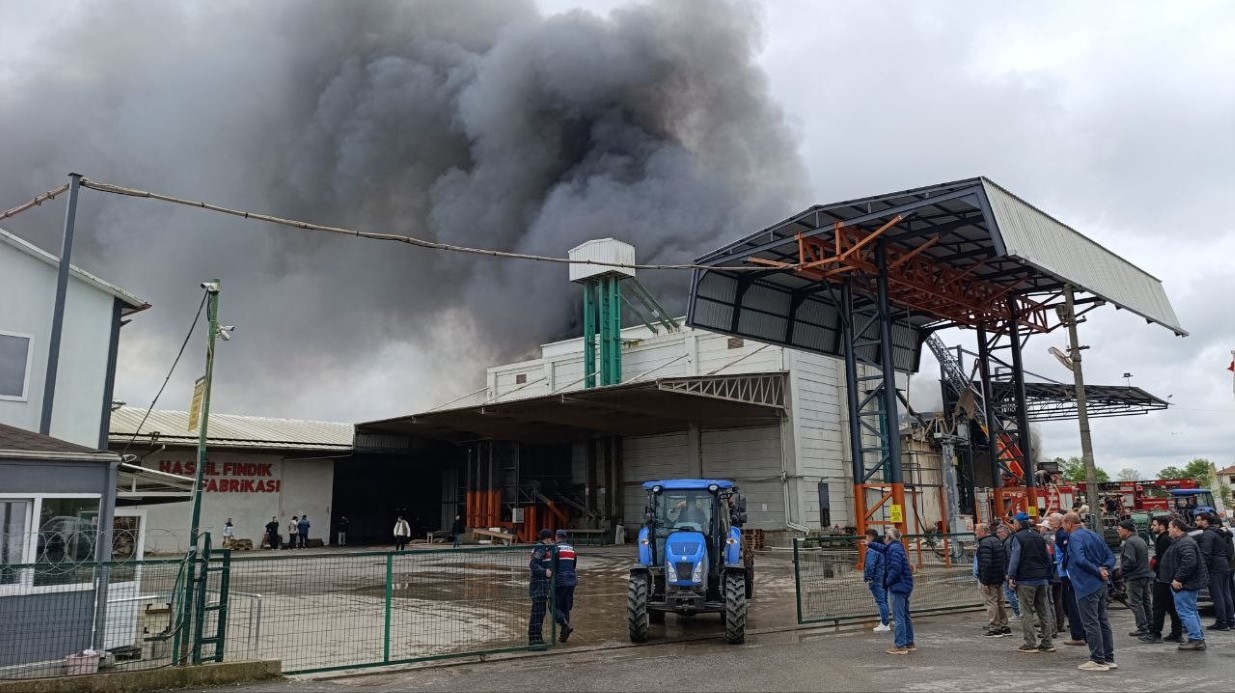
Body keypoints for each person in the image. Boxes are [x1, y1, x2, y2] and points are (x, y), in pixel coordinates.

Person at [1063, 511, 1117, 671]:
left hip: (1085, 584)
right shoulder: (1094, 535)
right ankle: (1109, 658)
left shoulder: (1074, 537)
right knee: (1103, 621)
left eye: (1064, 525)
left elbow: (1079, 559)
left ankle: (1097, 659)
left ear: (1068, 523)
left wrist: (1096, 570)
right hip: (1100, 584)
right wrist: (1105, 569)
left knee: (1091, 623)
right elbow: (1110, 556)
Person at [1007, 512, 1056, 653]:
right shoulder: (1039, 537)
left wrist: (1011, 576)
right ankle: (1047, 642)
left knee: (1026, 612)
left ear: (1017, 524)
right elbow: (1047, 557)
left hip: (1025, 579)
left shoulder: (1017, 537)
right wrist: (1048, 574)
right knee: (1043, 610)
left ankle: (1030, 643)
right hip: (1041, 578)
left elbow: (1015, 558)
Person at [1162, 517, 1208, 650]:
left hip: (1184, 585)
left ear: (1176, 528)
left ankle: (1196, 639)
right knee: (1191, 611)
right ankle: (1197, 637)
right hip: (1186, 584)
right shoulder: (1182, 541)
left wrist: (1178, 579)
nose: (1168, 530)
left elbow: (1189, 562)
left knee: (1185, 611)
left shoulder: (1185, 542)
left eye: (1170, 527)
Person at [1143, 515, 1183, 643]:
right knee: (1171, 607)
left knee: (1159, 606)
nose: (1152, 527)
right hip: (1167, 578)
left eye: (1154, 525)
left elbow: (1165, 559)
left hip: (1163, 578)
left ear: (1162, 526)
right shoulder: (1164, 538)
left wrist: (1156, 565)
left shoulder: (1164, 539)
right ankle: (1176, 633)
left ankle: (1156, 633)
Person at [1195, 512, 1234, 631]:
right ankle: (1230, 621)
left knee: (1218, 596)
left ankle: (1222, 622)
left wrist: (1201, 569)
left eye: (1198, 520)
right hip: (1224, 566)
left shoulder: (1207, 535)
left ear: (1205, 521)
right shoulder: (1220, 533)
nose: (1196, 522)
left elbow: (1205, 554)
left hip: (1215, 568)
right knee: (1226, 594)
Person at [1117, 519, 1154, 637]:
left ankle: (1142, 627)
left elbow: (1130, 561)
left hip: (1135, 577)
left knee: (1136, 603)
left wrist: (1121, 571)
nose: (1118, 531)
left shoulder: (1130, 542)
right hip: (1144, 575)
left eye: (1120, 529)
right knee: (1146, 602)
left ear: (1126, 530)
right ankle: (1150, 624)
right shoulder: (1140, 540)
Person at [1055, 512, 1086, 646]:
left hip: (1069, 575)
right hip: (1073, 574)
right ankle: (1081, 633)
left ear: (1068, 523)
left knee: (1071, 605)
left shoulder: (1066, 536)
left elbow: (1072, 555)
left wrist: (1066, 567)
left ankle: (1078, 635)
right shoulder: (1086, 534)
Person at [883, 526, 915, 655]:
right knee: (905, 615)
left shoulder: (893, 549)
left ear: (889, 538)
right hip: (905, 585)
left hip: (898, 586)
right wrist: (871, 544)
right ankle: (909, 642)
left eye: (885, 536)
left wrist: (888, 581)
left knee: (899, 616)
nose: (884, 538)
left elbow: (895, 568)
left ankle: (900, 645)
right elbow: (883, 548)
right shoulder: (897, 547)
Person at [975, 523, 1010, 638]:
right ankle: (1004, 626)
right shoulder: (996, 541)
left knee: (991, 602)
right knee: (1000, 602)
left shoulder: (984, 544)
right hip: (998, 577)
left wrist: (984, 581)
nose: (975, 533)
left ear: (982, 532)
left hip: (990, 578)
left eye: (977, 531)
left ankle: (995, 627)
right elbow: (1002, 559)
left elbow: (986, 563)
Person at [528, 528, 555, 648]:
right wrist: (545, 572)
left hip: (542, 585)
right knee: (537, 613)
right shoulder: (541, 548)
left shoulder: (544, 548)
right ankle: (534, 639)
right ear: (547, 538)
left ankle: (537, 637)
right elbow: (533, 564)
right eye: (551, 539)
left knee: (540, 612)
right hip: (539, 585)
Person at [862, 528, 890, 632]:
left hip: (877, 578)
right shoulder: (883, 547)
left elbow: (870, 565)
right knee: (885, 600)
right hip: (885, 577)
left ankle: (884, 623)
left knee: (880, 601)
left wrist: (869, 577)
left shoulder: (872, 549)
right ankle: (886, 622)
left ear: (870, 537)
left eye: (866, 536)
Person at [553, 529, 578, 643]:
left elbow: (553, 565)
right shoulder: (572, 549)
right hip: (571, 581)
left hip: (560, 581)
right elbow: (574, 565)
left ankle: (565, 624)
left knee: (554, 607)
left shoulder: (555, 548)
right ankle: (564, 636)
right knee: (566, 608)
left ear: (557, 537)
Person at [995, 524, 1020, 619]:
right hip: (1010, 571)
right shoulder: (1008, 541)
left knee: (1009, 593)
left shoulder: (1007, 543)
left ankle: (1017, 612)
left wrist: (1007, 573)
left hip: (1008, 572)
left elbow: (1009, 558)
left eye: (999, 532)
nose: (998, 534)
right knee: (1012, 593)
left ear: (1005, 533)